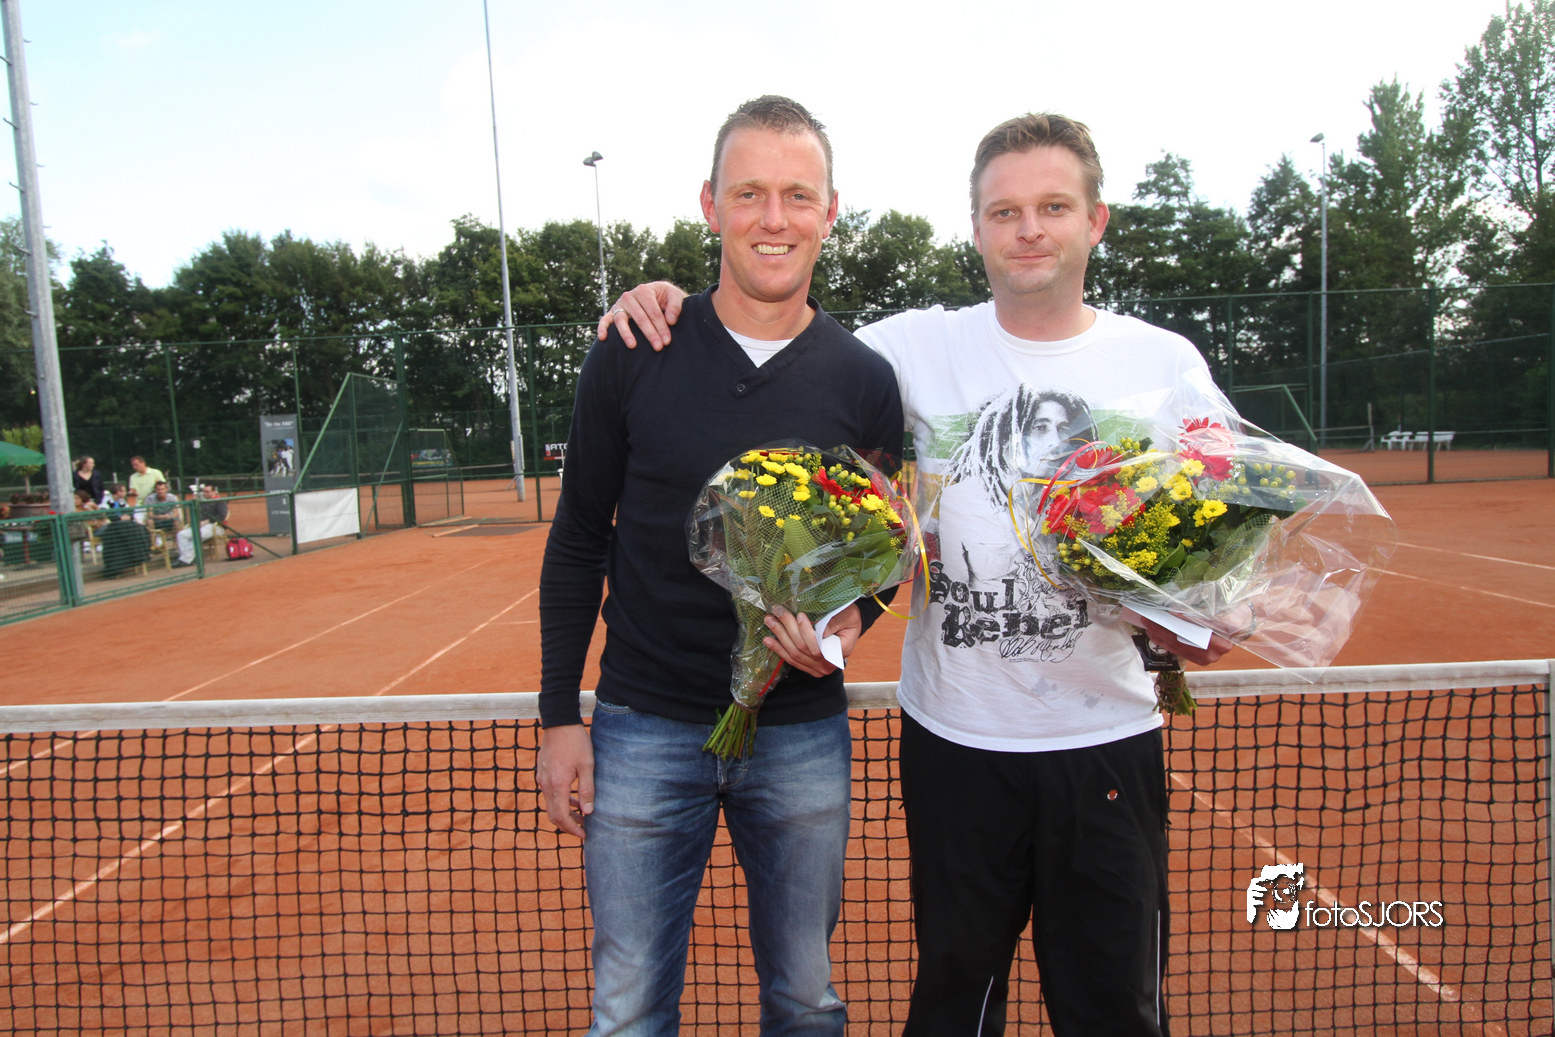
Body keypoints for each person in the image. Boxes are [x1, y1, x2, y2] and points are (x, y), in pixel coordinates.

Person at [597, 113, 1240, 1037]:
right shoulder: (906, 348)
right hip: (956, 745)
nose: (1028, 229)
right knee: (953, 1002)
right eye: (1004, 211)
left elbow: (1219, 523)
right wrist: (664, 301)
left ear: (1095, 220)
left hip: (1107, 740)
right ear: (974, 227)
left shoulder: (1165, 362)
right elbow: (778, 332)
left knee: (1114, 1009)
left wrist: (1207, 614)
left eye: (1053, 207)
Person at [536, 95, 904, 1036]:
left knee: (807, 999)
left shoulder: (864, 379)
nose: (772, 218)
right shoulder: (633, 348)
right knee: (627, 1008)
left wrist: (848, 622)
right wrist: (558, 717)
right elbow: (577, 536)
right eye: (748, 193)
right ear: (709, 205)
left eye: (797, 195)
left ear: (830, 211)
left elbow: (882, 552)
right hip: (640, 727)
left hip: (801, 732)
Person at [174, 483, 228, 568]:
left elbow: (222, 516)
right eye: (204, 492)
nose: (205, 494)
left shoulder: (220, 501)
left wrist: (207, 521)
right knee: (181, 535)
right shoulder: (201, 502)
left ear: (214, 491)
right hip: (200, 526)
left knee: (198, 534)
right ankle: (189, 558)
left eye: (207, 492)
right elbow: (194, 514)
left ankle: (185, 560)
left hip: (216, 526)